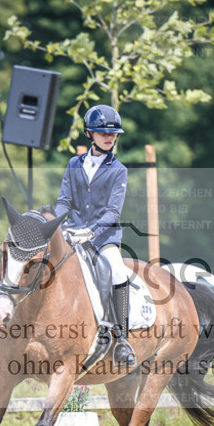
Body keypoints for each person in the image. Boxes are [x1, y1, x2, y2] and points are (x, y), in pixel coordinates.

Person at [55, 105, 136, 367]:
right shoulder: (73, 164)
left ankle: (121, 339)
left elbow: (113, 211)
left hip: (104, 240)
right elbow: (64, 201)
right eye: (103, 133)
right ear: (89, 134)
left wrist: (92, 231)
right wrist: (58, 226)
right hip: (73, 235)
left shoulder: (118, 170)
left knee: (118, 272)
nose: (109, 138)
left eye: (113, 135)